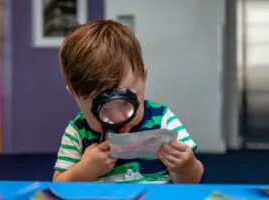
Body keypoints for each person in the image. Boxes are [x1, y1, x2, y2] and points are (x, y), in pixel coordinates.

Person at [53, 20, 204, 183]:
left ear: (143, 77)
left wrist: (186, 167)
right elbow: (59, 185)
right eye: (103, 110)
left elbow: (191, 182)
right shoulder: (77, 133)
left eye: (126, 103)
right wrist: (84, 171)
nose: (118, 119)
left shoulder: (163, 121)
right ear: (74, 94)